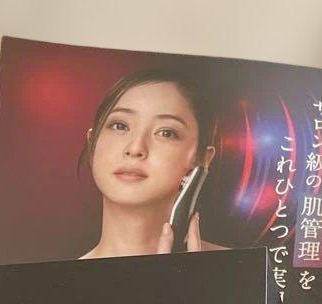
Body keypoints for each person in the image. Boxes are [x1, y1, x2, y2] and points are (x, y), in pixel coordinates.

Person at [78, 68, 226, 258]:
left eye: (166, 133)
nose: (135, 148)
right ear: (92, 144)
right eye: (120, 126)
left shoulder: (244, 268)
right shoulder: (57, 277)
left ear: (201, 158)